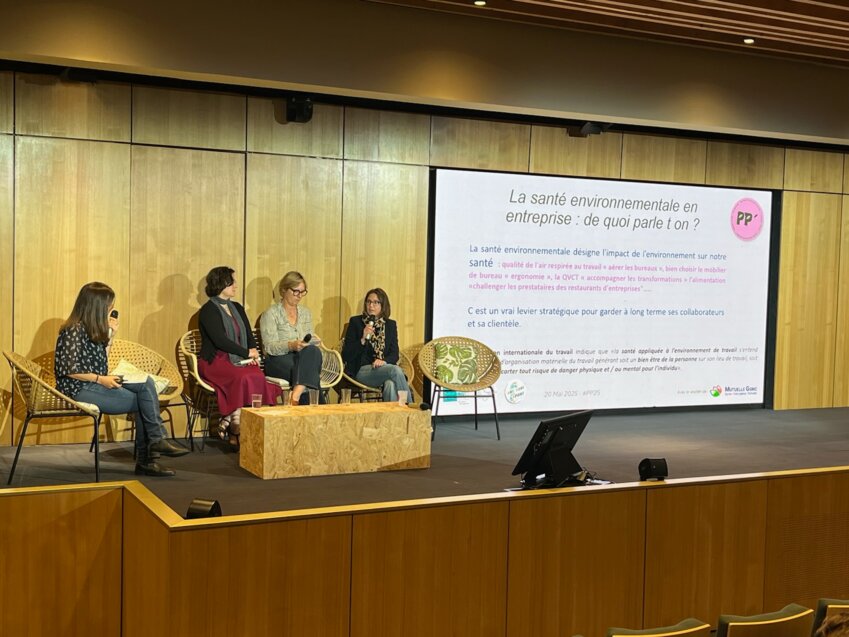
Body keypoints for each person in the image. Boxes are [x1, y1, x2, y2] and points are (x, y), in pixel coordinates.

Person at [55, 282, 188, 477]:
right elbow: (69, 369)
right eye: (109, 306)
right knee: (145, 402)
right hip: (78, 387)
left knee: (146, 384)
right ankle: (149, 457)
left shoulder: (93, 329)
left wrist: (110, 337)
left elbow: (102, 363)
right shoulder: (73, 330)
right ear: (96, 307)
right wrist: (101, 379)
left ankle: (155, 442)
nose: (111, 310)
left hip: (97, 380)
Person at [198, 266, 281, 449]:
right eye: (232, 281)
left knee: (257, 376)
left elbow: (248, 334)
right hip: (215, 360)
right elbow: (219, 340)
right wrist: (245, 353)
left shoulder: (237, 307)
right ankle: (236, 427)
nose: (236, 285)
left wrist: (253, 351)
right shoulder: (208, 310)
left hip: (238, 358)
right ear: (221, 283)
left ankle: (233, 421)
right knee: (243, 377)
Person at [259, 271, 324, 405]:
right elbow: (269, 347)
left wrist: (313, 341)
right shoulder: (270, 314)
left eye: (302, 292)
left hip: (302, 357)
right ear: (284, 290)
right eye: (296, 291)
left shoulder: (306, 313)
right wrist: (291, 345)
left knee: (313, 352)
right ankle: (317, 414)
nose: (299, 296)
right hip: (277, 360)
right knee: (309, 373)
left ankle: (295, 396)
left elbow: (308, 338)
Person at [342, 288, 412, 403]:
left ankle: (391, 419)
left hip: (384, 369)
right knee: (395, 370)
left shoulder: (390, 325)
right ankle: (409, 407)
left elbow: (394, 354)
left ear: (383, 305)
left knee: (390, 385)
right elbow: (346, 354)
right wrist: (363, 339)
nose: (371, 306)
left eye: (376, 302)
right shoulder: (355, 322)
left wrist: (383, 361)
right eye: (369, 302)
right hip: (361, 371)